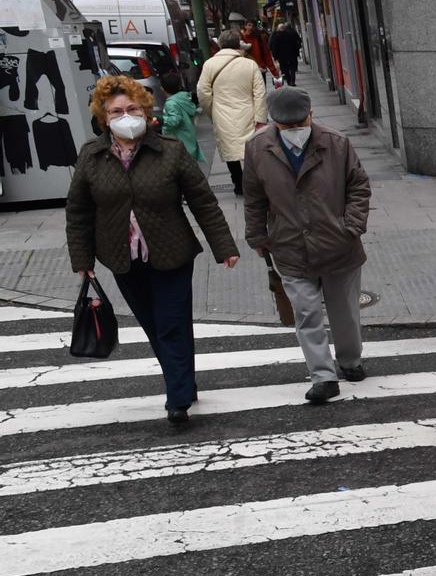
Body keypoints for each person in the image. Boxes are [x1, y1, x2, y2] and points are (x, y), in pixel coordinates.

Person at [65, 74, 240, 425]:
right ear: (104, 116)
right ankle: (184, 383)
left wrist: (224, 247)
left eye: (132, 108)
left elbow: (203, 201)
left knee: (170, 325)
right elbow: (79, 212)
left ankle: (176, 399)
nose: (125, 115)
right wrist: (82, 260)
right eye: (116, 111)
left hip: (172, 253)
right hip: (122, 257)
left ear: (145, 111)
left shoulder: (170, 151)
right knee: (152, 325)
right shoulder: (92, 156)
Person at [244, 86, 371, 405]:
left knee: (345, 312)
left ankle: (350, 360)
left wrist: (351, 226)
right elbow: (254, 197)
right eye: (287, 126)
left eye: (301, 123)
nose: (295, 131)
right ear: (274, 123)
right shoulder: (258, 148)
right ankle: (323, 376)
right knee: (306, 313)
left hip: (338, 244)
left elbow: (359, 185)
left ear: (311, 115)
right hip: (290, 246)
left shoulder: (336, 143)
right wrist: (257, 236)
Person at [197, 28, 266, 196]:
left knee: (230, 151)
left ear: (220, 44)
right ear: (238, 44)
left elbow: (202, 92)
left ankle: (238, 183)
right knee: (251, 150)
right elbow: (260, 92)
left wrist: (212, 110)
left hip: (222, 113)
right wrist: (260, 117)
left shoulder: (210, 64)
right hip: (247, 111)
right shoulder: (249, 64)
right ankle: (256, 183)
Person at [154, 69, 203, 164]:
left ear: (163, 88)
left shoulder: (171, 103)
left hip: (179, 142)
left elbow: (175, 120)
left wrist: (160, 120)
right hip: (189, 139)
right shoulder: (184, 98)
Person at [270, 17, 302, 87]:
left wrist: (275, 56)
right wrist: (297, 53)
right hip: (292, 55)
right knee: (292, 68)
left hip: (282, 57)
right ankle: (292, 81)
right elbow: (295, 44)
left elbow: (274, 47)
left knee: (285, 69)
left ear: (279, 29)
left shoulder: (276, 37)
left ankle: (288, 81)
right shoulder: (290, 35)